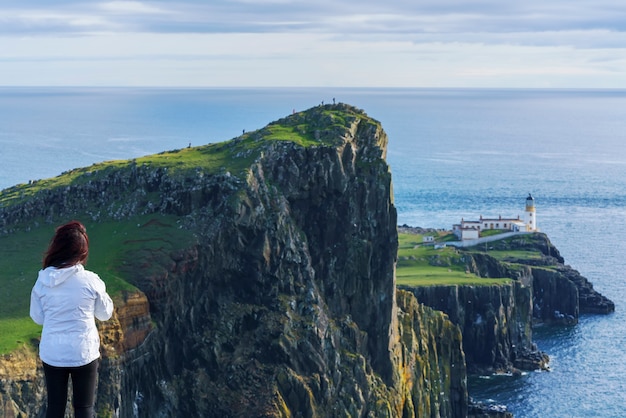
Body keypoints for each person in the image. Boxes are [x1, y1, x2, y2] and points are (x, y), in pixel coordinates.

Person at [30, 220, 114, 418]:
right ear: (82, 252)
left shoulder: (42, 281)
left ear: (57, 248)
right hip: (83, 352)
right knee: (84, 408)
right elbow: (105, 314)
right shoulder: (91, 281)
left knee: (55, 408)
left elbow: (37, 318)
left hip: (53, 352)